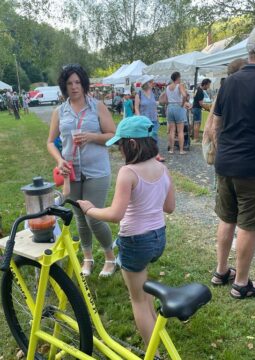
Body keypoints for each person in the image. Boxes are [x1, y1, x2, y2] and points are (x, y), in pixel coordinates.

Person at [78, 115, 175, 347]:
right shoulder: (163, 168)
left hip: (135, 240)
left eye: (120, 145)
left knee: (137, 300)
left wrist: (90, 210)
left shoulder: (128, 172)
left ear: (131, 144)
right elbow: (169, 207)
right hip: (158, 237)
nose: (120, 151)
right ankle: (157, 331)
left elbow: (115, 214)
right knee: (144, 289)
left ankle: (155, 353)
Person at [47, 63, 117, 277]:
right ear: (64, 86)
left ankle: (110, 258)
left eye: (78, 82)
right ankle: (87, 258)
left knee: (94, 217)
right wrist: (59, 160)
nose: (74, 87)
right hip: (71, 172)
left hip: (97, 171)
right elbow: (50, 142)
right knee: (79, 217)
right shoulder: (60, 111)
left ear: (84, 84)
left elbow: (113, 135)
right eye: (69, 83)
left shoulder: (97, 107)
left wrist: (92, 137)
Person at [210, 25, 255, 299]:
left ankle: (221, 271)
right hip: (252, 167)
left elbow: (215, 125)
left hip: (226, 163)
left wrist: (224, 152)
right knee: (248, 225)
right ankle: (241, 284)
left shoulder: (228, 83)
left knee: (226, 218)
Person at [135, 75, 165, 162]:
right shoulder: (139, 94)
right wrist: (139, 118)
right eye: (151, 82)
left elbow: (154, 105)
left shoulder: (153, 93)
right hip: (144, 120)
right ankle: (144, 154)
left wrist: (157, 116)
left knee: (154, 136)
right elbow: (136, 108)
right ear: (147, 83)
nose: (153, 83)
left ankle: (156, 154)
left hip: (153, 119)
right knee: (144, 137)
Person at [165, 71, 190, 155]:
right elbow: (185, 95)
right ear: (178, 78)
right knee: (180, 131)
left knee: (172, 130)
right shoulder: (180, 85)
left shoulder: (168, 87)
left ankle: (171, 149)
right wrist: (182, 104)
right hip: (178, 107)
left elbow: (165, 99)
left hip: (170, 107)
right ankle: (181, 150)